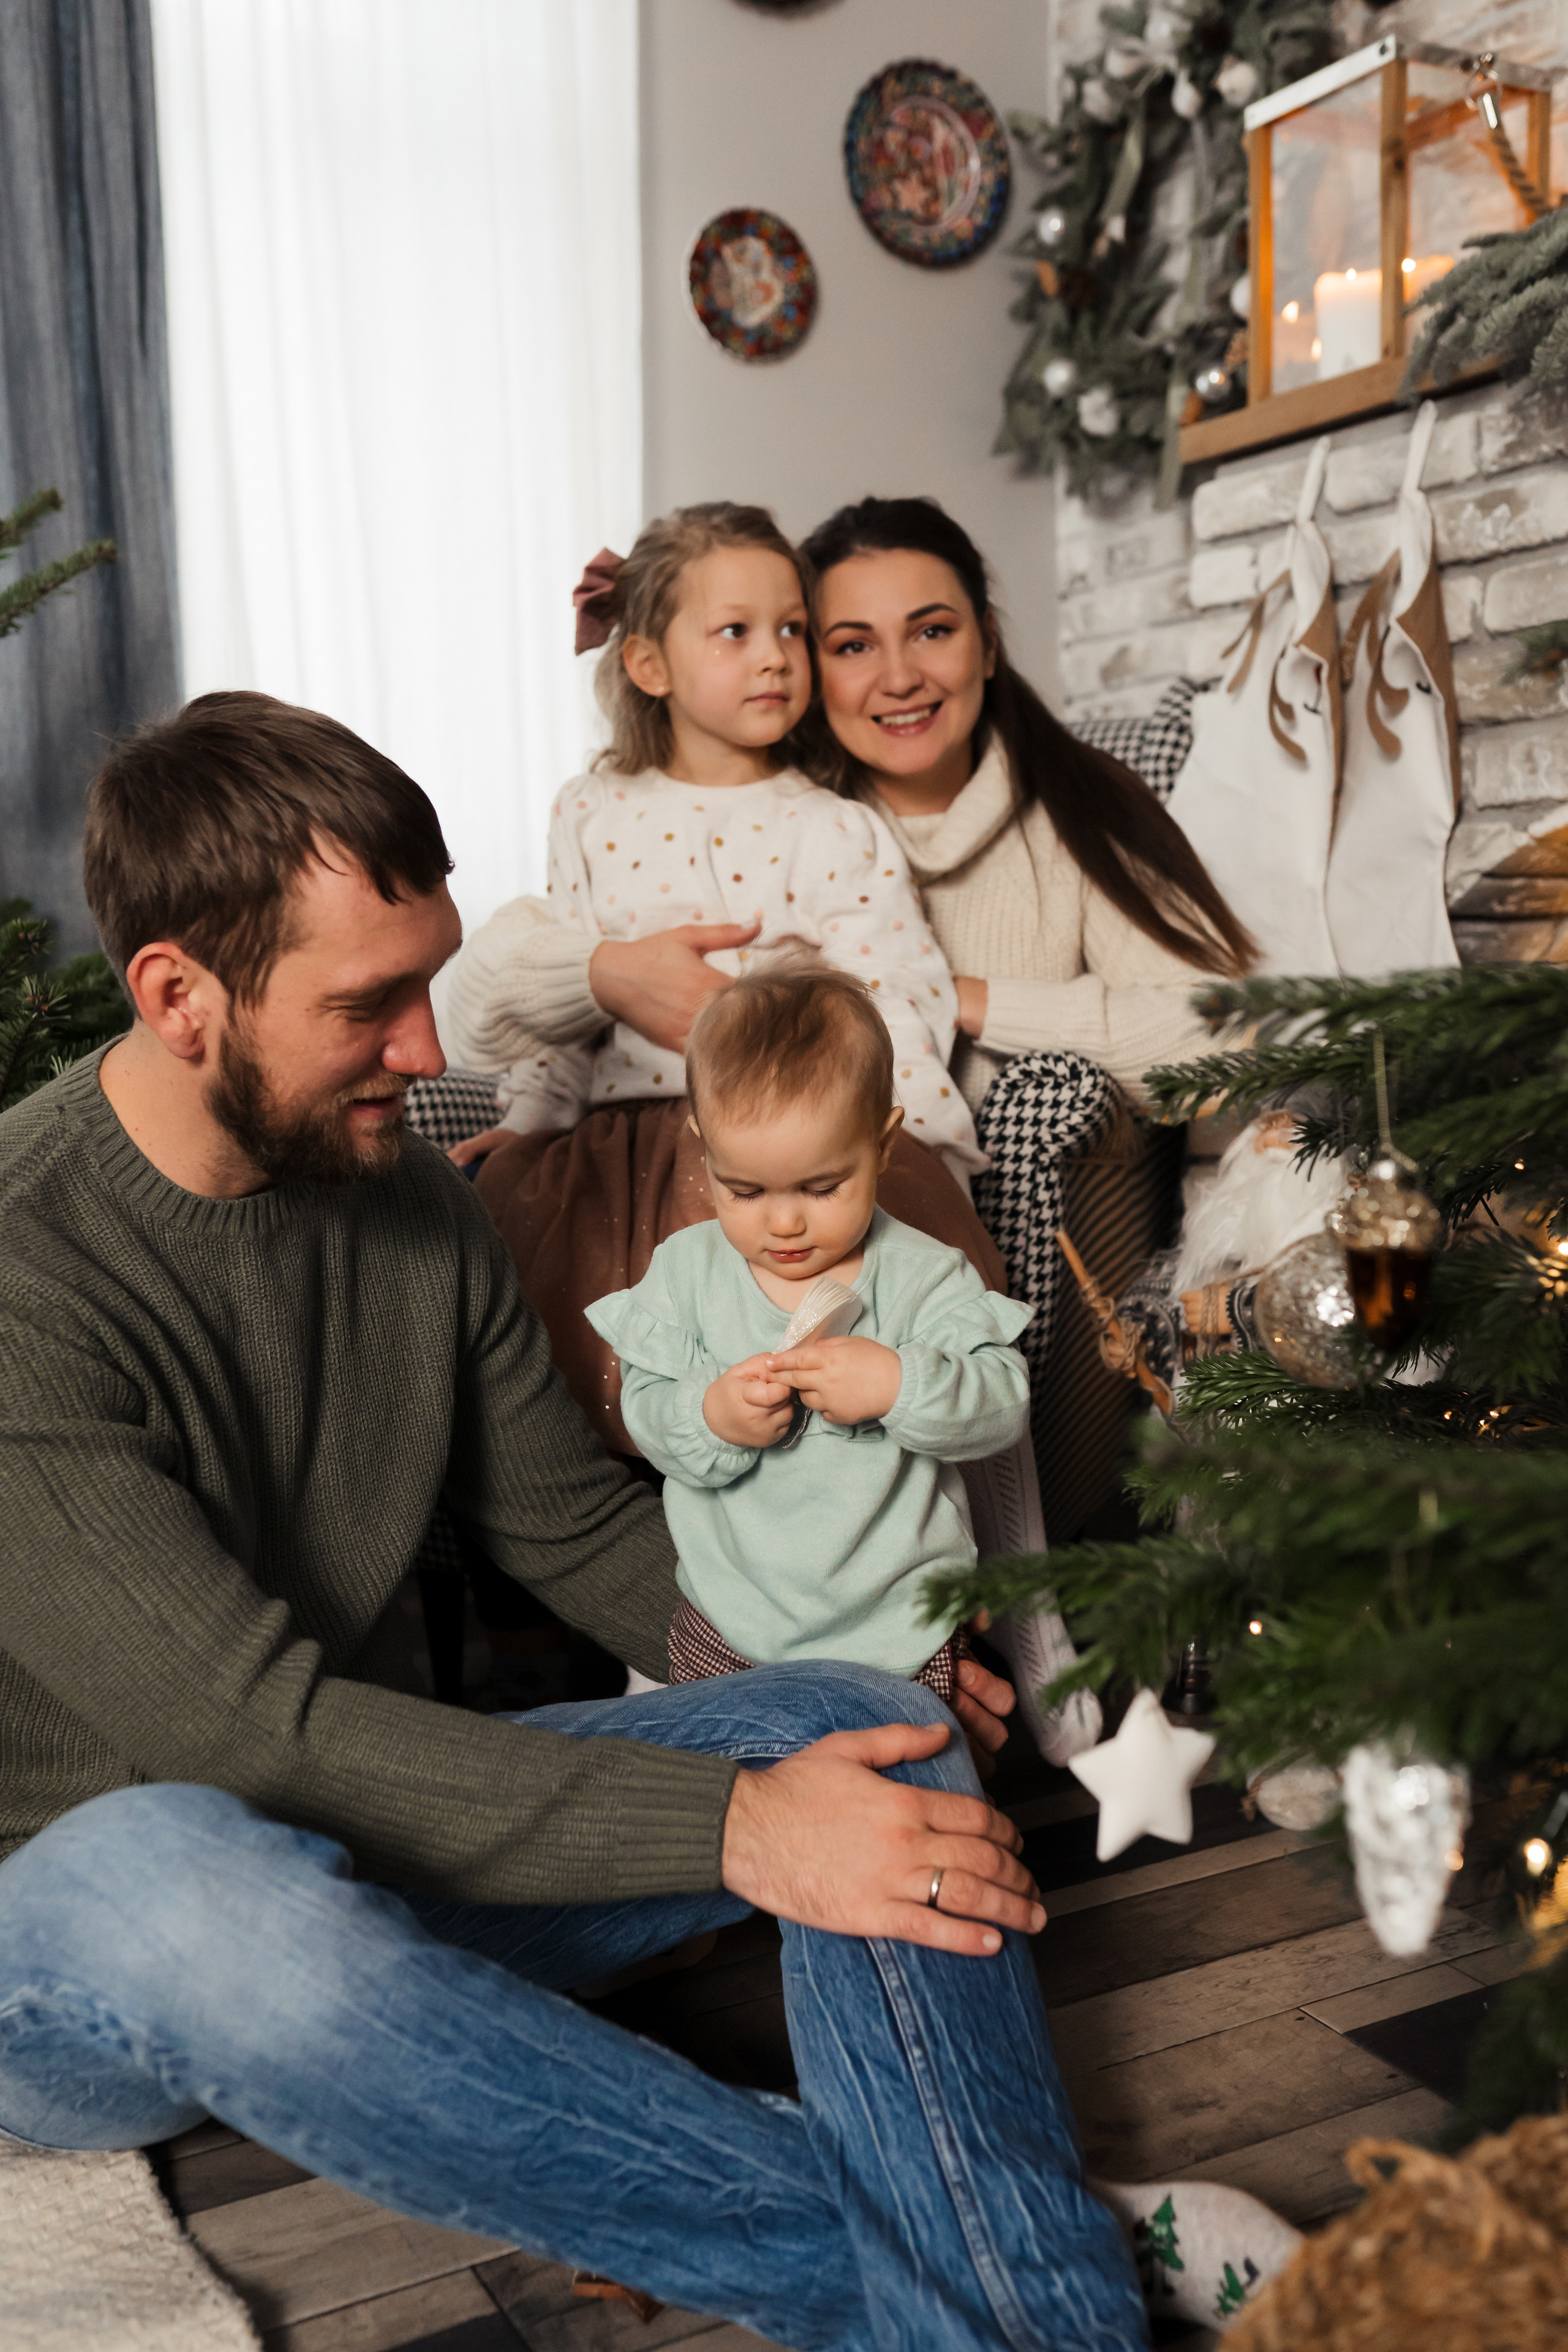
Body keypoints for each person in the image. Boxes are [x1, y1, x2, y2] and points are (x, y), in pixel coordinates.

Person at [0, 689, 1155, 2352]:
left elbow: (569, 1528)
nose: (431, 1047)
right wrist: (733, 1827)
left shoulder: (406, 1203)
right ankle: (982, 2303)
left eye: (431, 976)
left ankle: (1012, 2308)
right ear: (180, 996)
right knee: (184, 1859)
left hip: (359, 1851)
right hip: (84, 1931)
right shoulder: (27, 1264)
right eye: (370, 1002)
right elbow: (248, 1736)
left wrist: (810, 1670)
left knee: (870, 1715)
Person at [445, 502, 1003, 1454]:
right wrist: (533, 1121)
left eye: (792, 628)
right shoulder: (590, 811)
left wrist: (928, 1162)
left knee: (796, 1379)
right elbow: (568, 1007)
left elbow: (896, 1001)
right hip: (620, 1150)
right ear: (649, 664)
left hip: (781, 1146)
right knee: (600, 1376)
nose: (778, 656)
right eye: (737, 632)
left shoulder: (831, 826)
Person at [586, 965, 1032, 1698]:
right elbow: (649, 1414)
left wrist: (899, 1384)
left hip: (899, 1629)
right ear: (704, 1149)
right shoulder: (687, 1272)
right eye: (744, 1190)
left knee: (903, 1782)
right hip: (727, 1619)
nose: (785, 1221)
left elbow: (1002, 1405)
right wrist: (711, 1418)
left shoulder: (924, 1275)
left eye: (823, 1188)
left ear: (883, 1144)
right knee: (732, 1784)